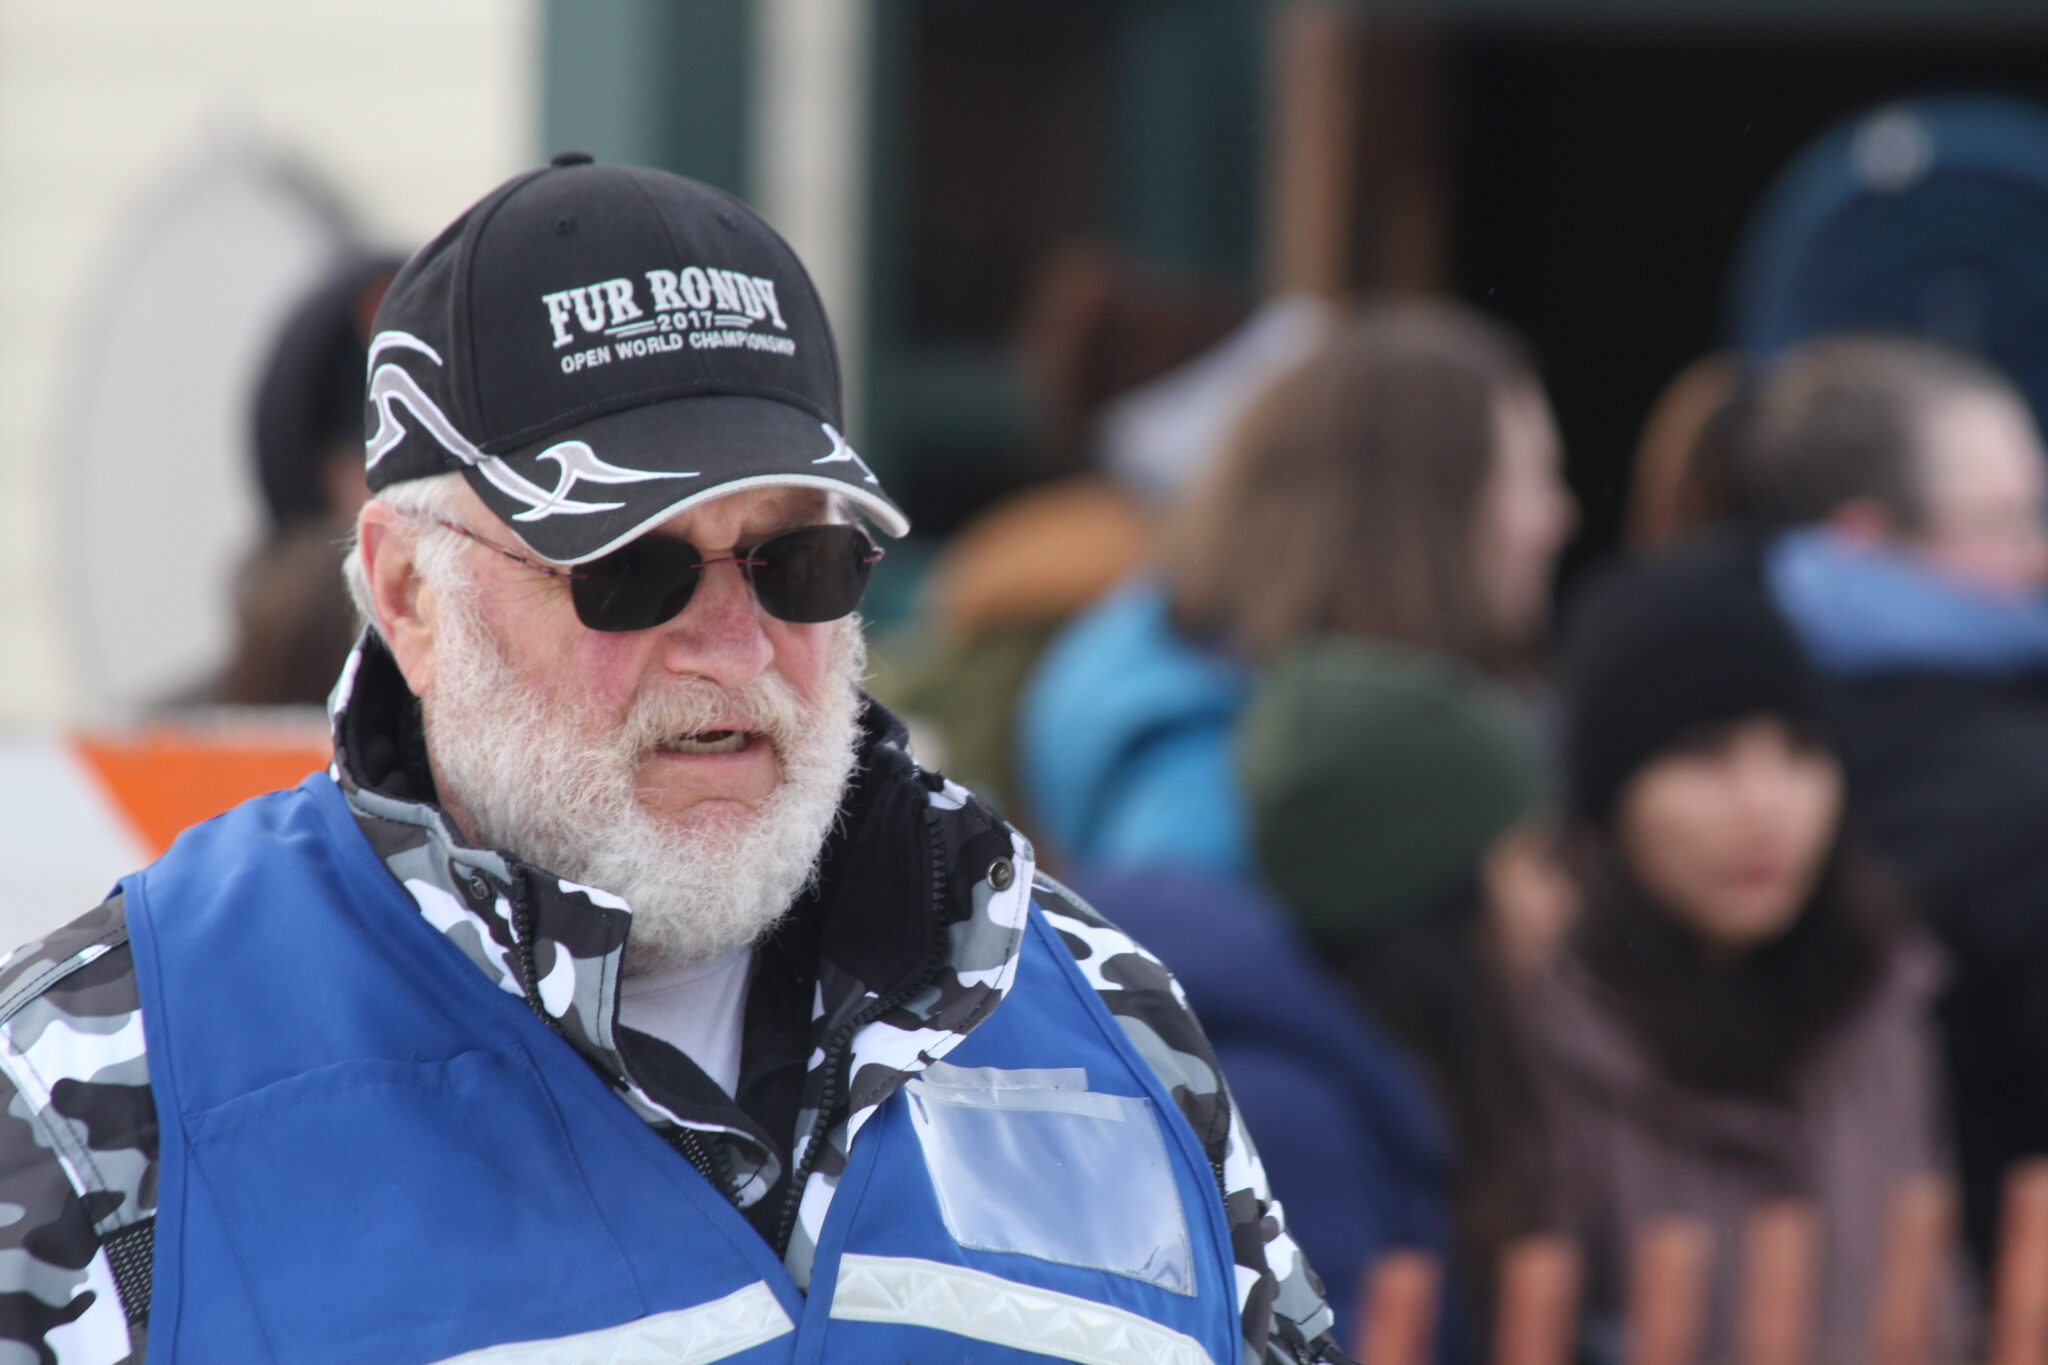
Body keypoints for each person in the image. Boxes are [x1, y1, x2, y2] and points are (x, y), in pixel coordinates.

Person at [0, 157, 1346, 1364]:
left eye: (797, 560)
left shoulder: (1106, 1021)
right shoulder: (102, 1085)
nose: (734, 646)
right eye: (629, 570)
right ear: (408, 595)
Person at [1539, 543, 1954, 1365]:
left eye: (1800, 751)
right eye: (1705, 755)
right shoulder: (1548, 1038)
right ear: (1612, 797)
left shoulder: (1887, 999)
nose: (1766, 805)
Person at [1018, 299, 1576, 877]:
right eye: (1533, 478)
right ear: (1419, 516)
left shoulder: (1360, 747)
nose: (1559, 519)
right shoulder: (1216, 814)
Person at [1738, 334, 2048, 1268]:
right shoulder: (2010, 785)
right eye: (2009, 518)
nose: (2040, 552)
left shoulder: (1701, 710)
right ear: (1864, 538)